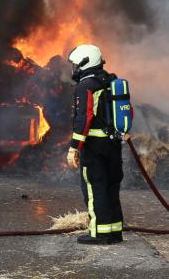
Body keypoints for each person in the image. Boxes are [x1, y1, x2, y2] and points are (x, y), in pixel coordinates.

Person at [66, 44, 124, 245]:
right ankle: (114, 232)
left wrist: (74, 146)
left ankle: (99, 233)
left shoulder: (85, 86)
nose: (74, 68)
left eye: (76, 64)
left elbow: (84, 117)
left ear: (85, 62)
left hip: (94, 146)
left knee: (94, 188)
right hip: (113, 144)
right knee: (111, 187)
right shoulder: (111, 80)